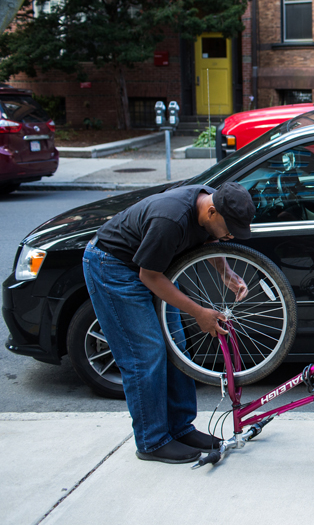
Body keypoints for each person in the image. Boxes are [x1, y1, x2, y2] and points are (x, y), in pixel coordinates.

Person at [82, 182, 256, 463]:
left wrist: (226, 272)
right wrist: (199, 313)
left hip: (152, 267)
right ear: (212, 211)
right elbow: (148, 276)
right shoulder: (170, 219)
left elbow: (209, 239)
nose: (231, 234)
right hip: (113, 267)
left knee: (177, 346)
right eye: (230, 227)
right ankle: (152, 441)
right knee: (146, 353)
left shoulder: (210, 203)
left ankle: (180, 428)